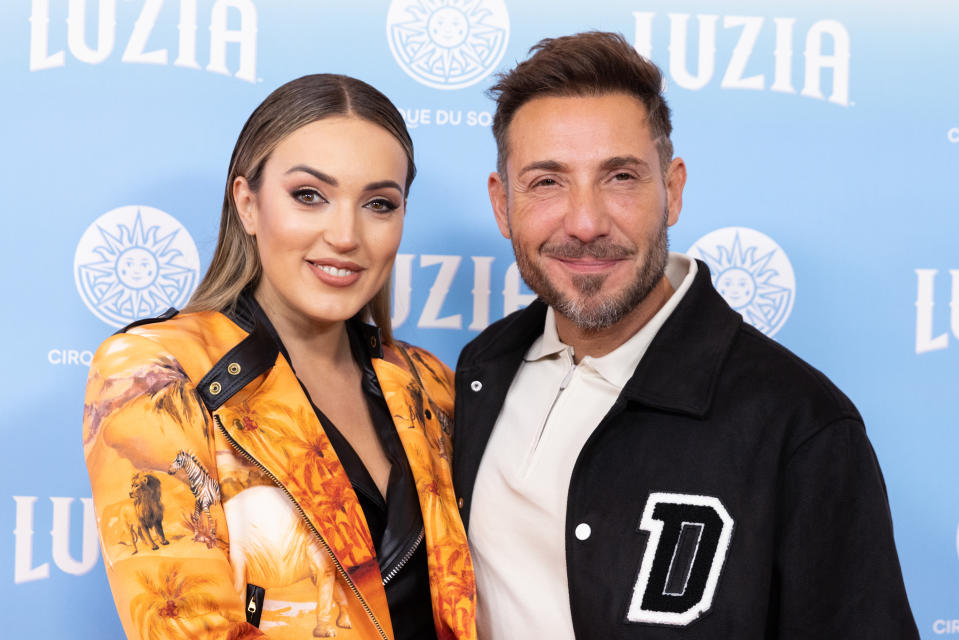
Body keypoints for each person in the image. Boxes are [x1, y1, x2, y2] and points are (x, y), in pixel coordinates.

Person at [452, 32, 918, 639]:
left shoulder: (800, 423)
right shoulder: (481, 368)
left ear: (671, 191)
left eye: (619, 177)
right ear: (502, 202)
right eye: (547, 182)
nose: (586, 222)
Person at [83, 74, 476, 640]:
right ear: (247, 202)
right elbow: (186, 626)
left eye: (379, 204)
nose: (345, 234)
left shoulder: (429, 384)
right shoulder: (158, 374)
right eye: (309, 196)